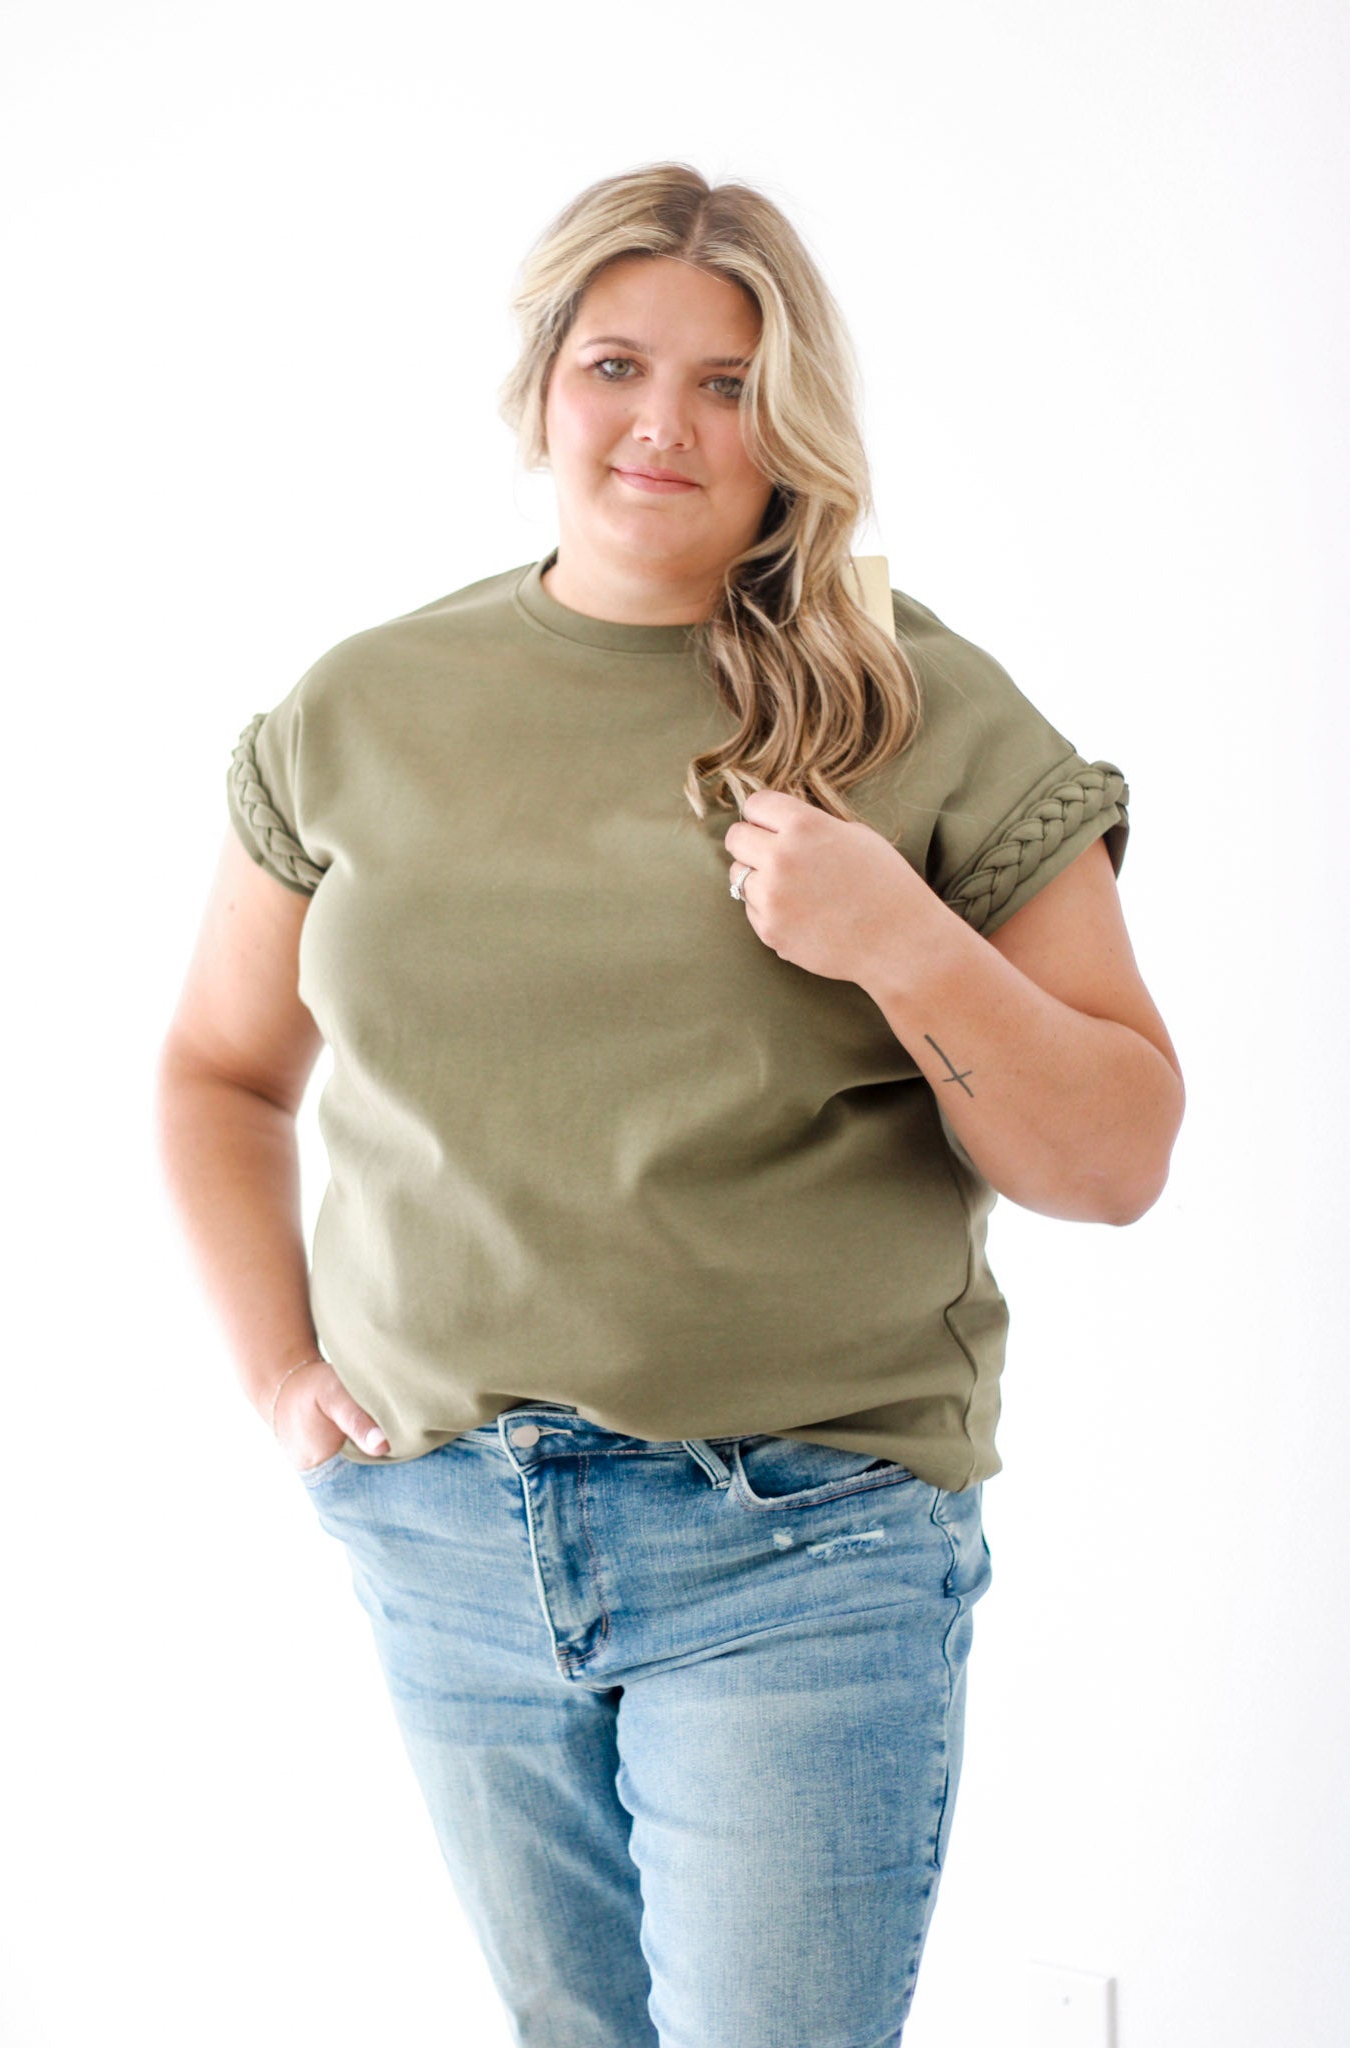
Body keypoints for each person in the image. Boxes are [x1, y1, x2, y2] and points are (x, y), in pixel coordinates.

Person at [156, 161, 1184, 2048]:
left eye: (729, 382)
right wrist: (281, 1378)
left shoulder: (919, 710)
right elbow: (220, 1070)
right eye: (617, 364)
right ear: (541, 384)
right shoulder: (360, 708)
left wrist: (900, 941)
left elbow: (1116, 1156)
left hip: (800, 1543)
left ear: (794, 421)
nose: (663, 425)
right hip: (449, 1527)